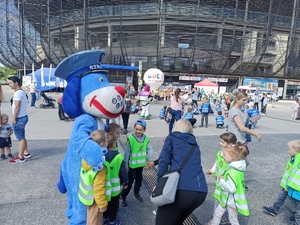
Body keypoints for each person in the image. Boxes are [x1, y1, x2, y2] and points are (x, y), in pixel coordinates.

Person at [155, 119, 207, 225]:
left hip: (181, 190)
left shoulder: (172, 138)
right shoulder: (194, 144)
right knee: (177, 221)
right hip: (200, 192)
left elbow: (163, 161)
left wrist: (159, 184)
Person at [205, 142, 249, 225]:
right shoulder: (237, 169)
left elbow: (231, 188)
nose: (223, 156)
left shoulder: (233, 172)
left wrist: (221, 180)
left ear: (232, 157)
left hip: (232, 201)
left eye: (225, 154)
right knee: (217, 214)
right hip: (226, 199)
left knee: (233, 220)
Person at [206, 132, 237, 225]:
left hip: (227, 185)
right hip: (219, 184)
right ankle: (221, 219)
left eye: (223, 142)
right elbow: (217, 163)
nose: (220, 144)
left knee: (223, 203)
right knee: (218, 201)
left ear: (231, 144)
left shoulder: (233, 157)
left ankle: (217, 220)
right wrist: (212, 171)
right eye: (220, 141)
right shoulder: (219, 153)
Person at [262, 140, 300, 217]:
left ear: (296, 151)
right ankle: (275, 209)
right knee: (284, 198)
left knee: (285, 199)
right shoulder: (293, 158)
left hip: (291, 185)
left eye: (289, 149)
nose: (288, 151)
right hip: (288, 184)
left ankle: (275, 209)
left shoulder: (297, 159)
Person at [78, 130, 108, 225]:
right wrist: (102, 204)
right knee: (95, 220)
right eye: (107, 140)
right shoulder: (99, 166)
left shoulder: (86, 158)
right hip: (95, 200)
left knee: (91, 218)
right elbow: (99, 187)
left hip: (87, 197)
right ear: (102, 143)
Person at [120, 119, 152, 207]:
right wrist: (126, 164)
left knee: (139, 181)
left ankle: (136, 193)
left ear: (144, 130)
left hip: (140, 165)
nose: (138, 131)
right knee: (129, 182)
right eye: (136, 129)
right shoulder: (131, 138)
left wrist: (150, 159)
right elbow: (126, 153)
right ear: (134, 128)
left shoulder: (146, 138)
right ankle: (123, 196)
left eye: (140, 130)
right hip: (132, 166)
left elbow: (149, 148)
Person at [103, 133, 129, 225]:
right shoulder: (119, 157)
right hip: (115, 189)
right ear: (114, 144)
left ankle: (104, 218)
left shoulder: (101, 156)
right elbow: (123, 172)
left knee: (105, 204)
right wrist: (126, 182)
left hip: (104, 187)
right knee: (114, 205)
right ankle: (113, 221)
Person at [7, 76, 31, 164]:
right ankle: (26, 152)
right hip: (23, 116)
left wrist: (14, 118)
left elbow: (17, 107)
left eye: (10, 83)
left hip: (19, 118)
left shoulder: (18, 93)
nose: (9, 85)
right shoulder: (22, 91)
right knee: (22, 136)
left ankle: (21, 157)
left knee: (20, 138)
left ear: (16, 83)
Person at [285, 140, 300, 225]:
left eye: (289, 149)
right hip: (292, 190)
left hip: (298, 192)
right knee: (288, 205)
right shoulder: (296, 158)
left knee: (298, 214)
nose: (288, 150)